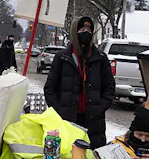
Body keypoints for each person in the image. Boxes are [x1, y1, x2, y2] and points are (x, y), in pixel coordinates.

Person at [44, 16, 115, 149]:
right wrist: (59, 110)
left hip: (94, 123)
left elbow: (109, 88)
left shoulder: (101, 59)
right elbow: (50, 88)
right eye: (82, 28)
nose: (86, 32)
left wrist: (100, 107)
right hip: (67, 120)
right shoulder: (62, 58)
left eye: (89, 29)